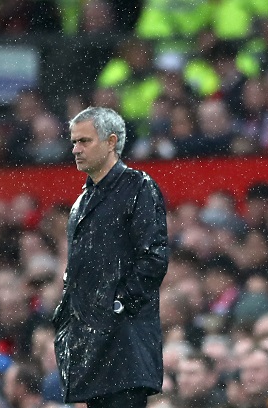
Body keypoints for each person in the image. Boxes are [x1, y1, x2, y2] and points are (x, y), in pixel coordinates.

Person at [52, 107, 169, 407]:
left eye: (84, 141)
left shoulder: (138, 186)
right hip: (93, 349)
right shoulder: (82, 199)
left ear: (111, 142)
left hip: (124, 346)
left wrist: (117, 304)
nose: (75, 149)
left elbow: (153, 257)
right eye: (74, 142)